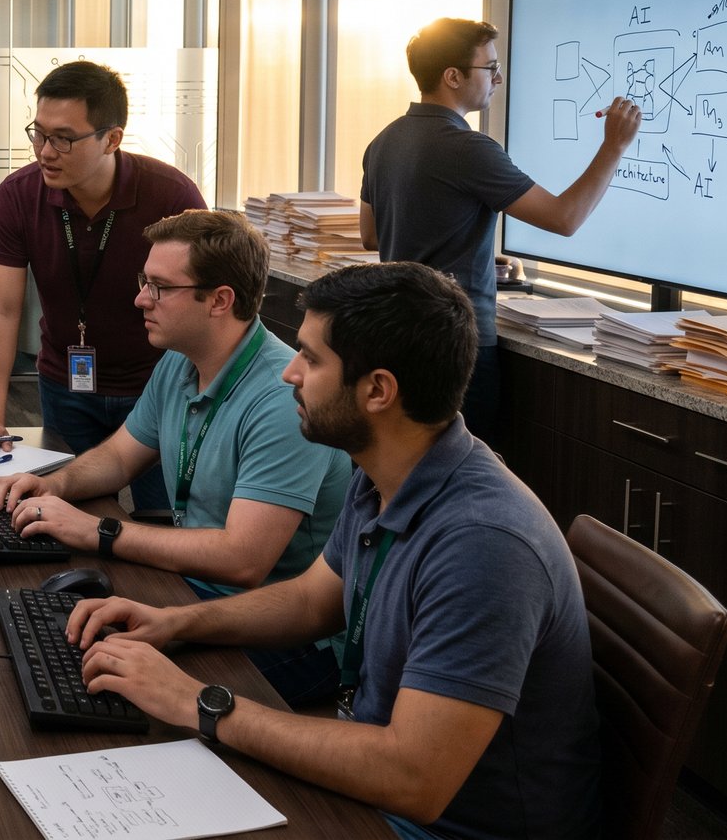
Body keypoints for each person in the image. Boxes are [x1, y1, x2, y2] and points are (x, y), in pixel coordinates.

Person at [68, 262, 598, 840]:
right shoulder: (386, 473)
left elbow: (414, 779)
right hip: (377, 783)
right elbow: (311, 600)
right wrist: (175, 622)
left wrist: (200, 701)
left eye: (312, 359)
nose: (289, 373)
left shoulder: (483, 545)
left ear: (378, 391)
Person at [0, 210, 352, 706]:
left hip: (278, 632)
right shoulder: (181, 359)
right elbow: (119, 457)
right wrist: (55, 485)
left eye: (159, 287)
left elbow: (243, 560)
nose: (141, 299)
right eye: (145, 282)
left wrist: (98, 531)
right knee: (43, 630)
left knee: (93, 677)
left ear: (220, 300)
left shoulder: (281, 399)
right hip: (194, 592)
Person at [360, 17, 641, 442]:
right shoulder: (466, 148)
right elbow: (565, 218)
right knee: (459, 473)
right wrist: (613, 146)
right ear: (452, 76)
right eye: (489, 68)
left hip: (396, 336)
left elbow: (372, 236)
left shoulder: (384, 140)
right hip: (453, 345)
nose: (498, 78)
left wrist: (453, 240)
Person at [0, 61, 204, 512]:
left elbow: (202, 306)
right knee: (63, 511)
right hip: (65, 384)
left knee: (165, 517)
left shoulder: (171, 196)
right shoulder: (18, 195)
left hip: (158, 386)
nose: (45, 151)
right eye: (39, 133)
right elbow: (2, 308)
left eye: (64, 138)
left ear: (112, 139)